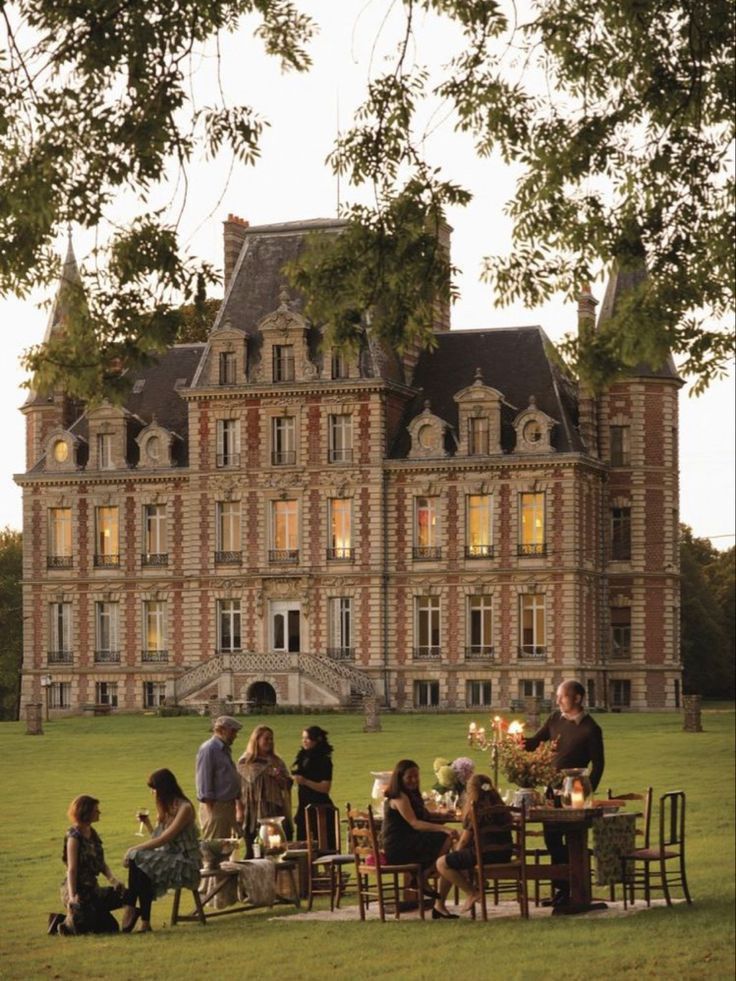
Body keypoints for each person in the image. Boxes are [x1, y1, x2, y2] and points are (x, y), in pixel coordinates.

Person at [524, 679, 605, 908]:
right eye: (558, 696)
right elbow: (534, 743)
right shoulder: (554, 719)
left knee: (572, 841)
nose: (558, 700)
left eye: (563, 696)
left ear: (577, 698)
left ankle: (574, 892)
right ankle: (562, 890)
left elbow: (598, 765)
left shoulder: (591, 729)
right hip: (551, 793)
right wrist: (515, 738)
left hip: (574, 796)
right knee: (551, 840)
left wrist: (587, 793)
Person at [121, 769, 200, 933]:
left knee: (138, 858)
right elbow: (158, 838)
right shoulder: (164, 808)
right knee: (140, 864)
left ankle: (131, 907)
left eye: (154, 789)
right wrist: (149, 823)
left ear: (164, 789)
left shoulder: (184, 808)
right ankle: (143, 921)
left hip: (185, 861)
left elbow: (165, 839)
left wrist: (132, 849)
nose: (152, 793)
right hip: (170, 856)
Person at [382, 759, 459, 919]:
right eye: (409, 777)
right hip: (398, 846)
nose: (414, 780)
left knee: (443, 838)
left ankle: (424, 876)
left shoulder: (412, 795)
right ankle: (423, 876)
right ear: (400, 778)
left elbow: (424, 815)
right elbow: (414, 823)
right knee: (444, 837)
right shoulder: (399, 797)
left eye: (416, 776)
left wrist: (442, 815)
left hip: (410, 841)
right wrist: (444, 828)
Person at [56, 795, 133, 935]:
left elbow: (101, 863)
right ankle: (65, 923)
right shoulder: (74, 836)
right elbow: (72, 869)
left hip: (93, 889)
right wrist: (72, 896)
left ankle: (79, 918)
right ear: (85, 812)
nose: (99, 813)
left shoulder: (92, 832)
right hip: (78, 890)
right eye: (96, 810)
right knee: (88, 927)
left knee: (114, 920)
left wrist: (113, 880)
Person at [435, 774, 513, 914]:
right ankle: (440, 904)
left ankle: (472, 892)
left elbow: (464, 840)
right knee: (455, 860)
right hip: (504, 854)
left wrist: (456, 852)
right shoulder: (502, 807)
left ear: (472, 791)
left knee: (442, 863)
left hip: (484, 855)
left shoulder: (476, 810)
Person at [237, 725, 293, 852]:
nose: (270, 742)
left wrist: (280, 779)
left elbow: (287, 783)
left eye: (271, 739)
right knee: (253, 849)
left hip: (274, 809)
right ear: (256, 740)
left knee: (275, 848)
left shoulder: (277, 761)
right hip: (251, 811)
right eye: (266, 739)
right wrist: (239, 809)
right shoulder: (245, 762)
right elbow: (238, 787)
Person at [195, 715, 243, 840]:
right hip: (216, 806)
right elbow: (204, 783)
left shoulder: (223, 749)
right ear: (221, 730)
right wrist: (212, 812)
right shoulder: (209, 749)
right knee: (215, 847)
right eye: (233, 731)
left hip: (227, 805)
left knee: (227, 848)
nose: (235, 736)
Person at [291, 725, 336, 846]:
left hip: (318, 808)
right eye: (303, 738)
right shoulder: (303, 758)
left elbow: (325, 787)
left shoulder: (324, 761)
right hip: (304, 806)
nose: (304, 741)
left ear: (317, 740)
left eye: (308, 738)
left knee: (323, 845)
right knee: (303, 845)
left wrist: (305, 781)